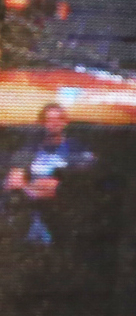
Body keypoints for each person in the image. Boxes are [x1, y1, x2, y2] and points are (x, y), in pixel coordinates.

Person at [2, 102, 93, 246]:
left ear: (65, 122)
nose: (54, 124)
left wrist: (34, 187)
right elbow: (12, 182)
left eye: (58, 119)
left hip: (63, 214)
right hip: (30, 213)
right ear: (41, 123)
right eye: (49, 120)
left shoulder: (77, 149)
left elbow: (78, 187)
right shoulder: (29, 148)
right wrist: (39, 188)